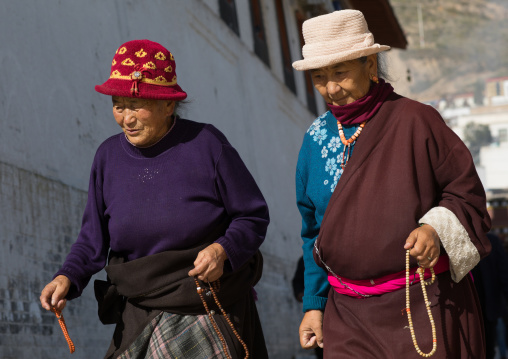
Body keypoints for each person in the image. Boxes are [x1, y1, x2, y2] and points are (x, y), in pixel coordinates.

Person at [40, 39, 270, 359]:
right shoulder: (107, 157)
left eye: (136, 106)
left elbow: (252, 216)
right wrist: (67, 277)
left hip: (205, 305)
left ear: (168, 105)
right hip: (138, 308)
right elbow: (92, 239)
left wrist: (223, 251)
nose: (126, 119)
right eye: (118, 106)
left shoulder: (207, 145)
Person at [293, 10, 491, 358]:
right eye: (319, 77)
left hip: (420, 305)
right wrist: (314, 303)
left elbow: (466, 192)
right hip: (347, 316)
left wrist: (435, 228)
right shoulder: (315, 138)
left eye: (340, 72)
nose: (332, 88)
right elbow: (314, 232)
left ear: (369, 64)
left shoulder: (416, 121)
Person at [472, 205, 508, 359]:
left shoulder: (492, 241)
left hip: (486, 308)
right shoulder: (492, 240)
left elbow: (504, 274)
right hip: (480, 308)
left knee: (486, 348)